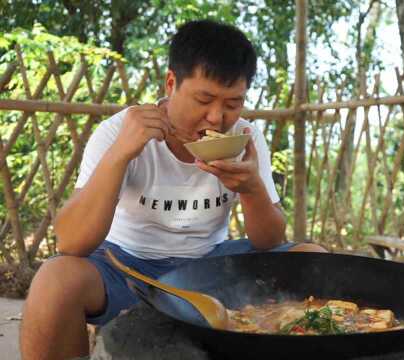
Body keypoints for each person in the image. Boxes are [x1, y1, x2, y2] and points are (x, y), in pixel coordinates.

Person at [20, 19, 325, 360]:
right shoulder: (119, 132)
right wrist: (121, 153)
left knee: (313, 258)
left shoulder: (245, 138)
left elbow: (269, 241)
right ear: (171, 83)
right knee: (53, 281)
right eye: (204, 99)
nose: (216, 117)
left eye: (232, 103)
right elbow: (71, 242)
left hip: (211, 268)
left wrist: (253, 189)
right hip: (126, 267)